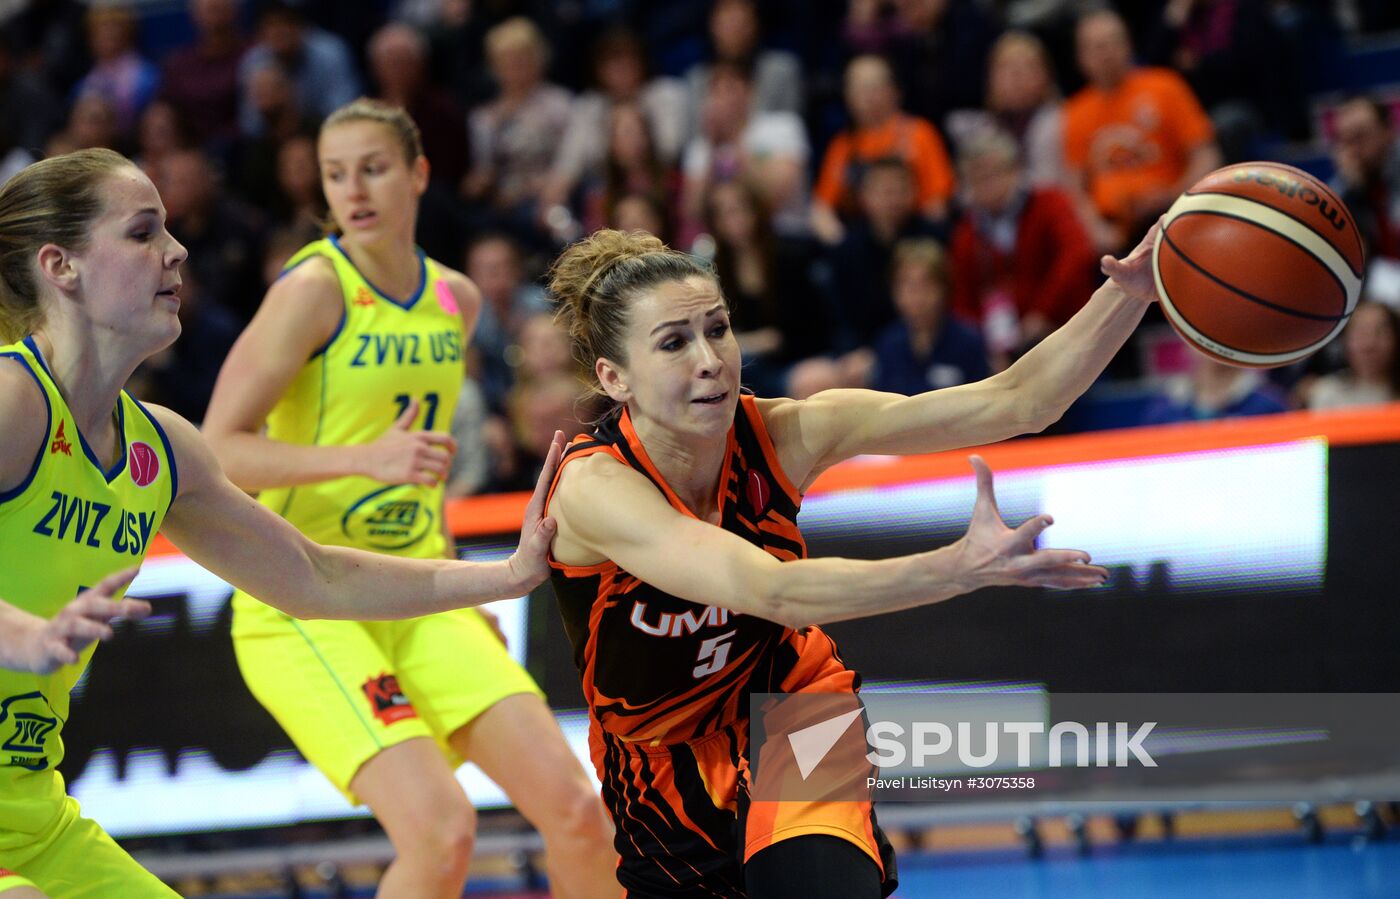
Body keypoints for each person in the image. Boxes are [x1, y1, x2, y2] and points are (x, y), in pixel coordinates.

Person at [0, 147, 563, 897]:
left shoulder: (162, 449)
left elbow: (316, 573)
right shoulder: (12, 400)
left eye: (168, 228)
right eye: (142, 233)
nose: (177, 250)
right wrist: (25, 635)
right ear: (59, 266)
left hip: (32, 815)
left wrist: (511, 574)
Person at [541, 219, 1160, 896]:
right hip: (660, 766)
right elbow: (769, 590)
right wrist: (955, 567)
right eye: (673, 343)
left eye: (718, 329)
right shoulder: (595, 488)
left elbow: (1018, 399)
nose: (710, 359)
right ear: (614, 376)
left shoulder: (785, 431)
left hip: (794, 708)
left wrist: (1132, 292)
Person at [200, 100, 617, 899]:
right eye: (334, 174)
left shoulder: (455, 300)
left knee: (578, 813)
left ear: (420, 173)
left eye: (372, 167)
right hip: (306, 598)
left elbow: (418, 472)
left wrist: (460, 582)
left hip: (420, 592)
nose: (352, 189)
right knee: (440, 831)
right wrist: (365, 457)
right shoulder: (314, 289)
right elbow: (217, 448)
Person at [1302, 301, 1400, 410]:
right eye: (1361, 333)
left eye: (1381, 332)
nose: (1369, 344)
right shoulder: (1327, 393)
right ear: (1345, 341)